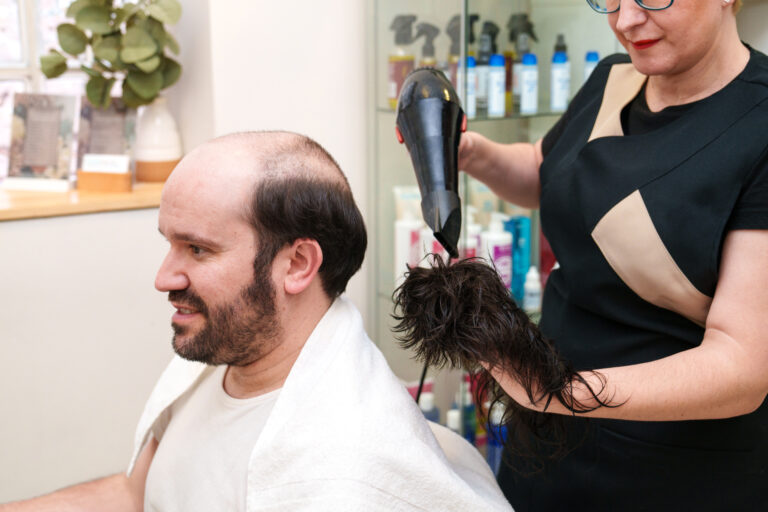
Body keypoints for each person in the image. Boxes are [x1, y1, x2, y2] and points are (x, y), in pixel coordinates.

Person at [1, 132, 512, 511]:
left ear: (296, 265)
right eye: (169, 243)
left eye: (197, 249)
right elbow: (139, 494)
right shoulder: (225, 352)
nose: (163, 277)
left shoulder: (340, 478)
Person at [457, 0, 768, 510]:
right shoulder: (612, 78)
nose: (625, 21)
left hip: (671, 470)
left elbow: (741, 366)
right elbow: (544, 170)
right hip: (546, 447)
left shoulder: (758, 126)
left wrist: (560, 390)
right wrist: (472, 153)